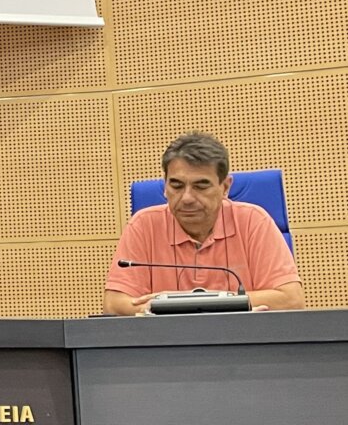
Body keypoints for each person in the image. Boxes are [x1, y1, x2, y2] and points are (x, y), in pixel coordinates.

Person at [104, 132, 302, 314]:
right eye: (177, 186)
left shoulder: (253, 221)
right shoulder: (143, 225)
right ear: (165, 186)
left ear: (225, 187)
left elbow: (291, 300)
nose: (187, 198)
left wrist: (176, 302)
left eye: (201, 186)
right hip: (167, 339)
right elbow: (113, 305)